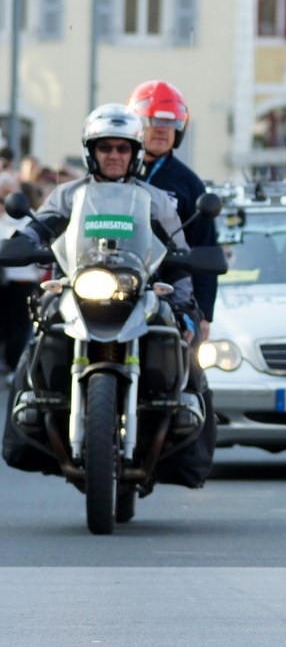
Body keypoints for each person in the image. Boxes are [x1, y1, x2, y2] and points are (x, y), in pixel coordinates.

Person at [7, 104, 211, 486]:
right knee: (38, 338)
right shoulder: (67, 196)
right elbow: (40, 228)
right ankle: (27, 421)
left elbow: (179, 257)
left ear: (135, 153)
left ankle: (189, 443)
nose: (114, 156)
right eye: (106, 148)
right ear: (91, 152)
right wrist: (22, 242)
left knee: (186, 351)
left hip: (139, 291)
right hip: (79, 286)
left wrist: (187, 307)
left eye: (122, 148)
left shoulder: (156, 201)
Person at [127, 80, 218, 343]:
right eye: (153, 121)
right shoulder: (114, 170)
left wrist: (203, 313)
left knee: (189, 367)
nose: (161, 131)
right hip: (113, 279)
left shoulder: (189, 184)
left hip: (169, 289)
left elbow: (205, 247)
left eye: (170, 124)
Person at [0, 171, 44, 383]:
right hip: (4, 283)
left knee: (20, 329)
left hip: (23, 283)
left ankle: (14, 368)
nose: (3, 202)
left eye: (6, 196)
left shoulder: (27, 218)